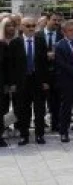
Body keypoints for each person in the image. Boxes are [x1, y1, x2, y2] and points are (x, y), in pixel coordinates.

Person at [7, 17, 50, 145]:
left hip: (38, 82)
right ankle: (24, 135)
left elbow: (45, 64)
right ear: (21, 27)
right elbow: (11, 66)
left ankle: (39, 135)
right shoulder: (15, 43)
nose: (31, 28)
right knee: (23, 110)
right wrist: (12, 83)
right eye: (28, 25)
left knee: (39, 110)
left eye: (33, 25)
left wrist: (46, 81)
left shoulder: (41, 41)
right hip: (22, 83)